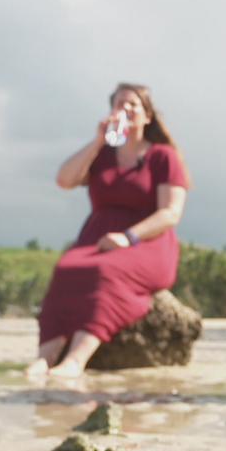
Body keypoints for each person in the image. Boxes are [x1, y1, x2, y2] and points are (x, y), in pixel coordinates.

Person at [26, 83, 189, 378]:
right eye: (119, 104)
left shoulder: (162, 156)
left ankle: (76, 360)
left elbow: (171, 212)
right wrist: (98, 141)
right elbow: (64, 179)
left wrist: (128, 237)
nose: (125, 109)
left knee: (106, 272)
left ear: (147, 116)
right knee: (65, 268)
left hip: (147, 241)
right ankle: (44, 358)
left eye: (132, 104)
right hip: (96, 238)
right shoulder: (102, 155)